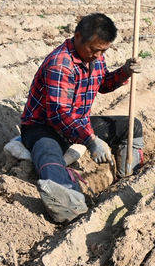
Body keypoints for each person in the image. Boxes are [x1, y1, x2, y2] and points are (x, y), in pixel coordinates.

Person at [20, 13, 143, 223]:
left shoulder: (95, 57)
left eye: (103, 50)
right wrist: (90, 140)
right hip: (44, 127)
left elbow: (102, 84)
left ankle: (126, 177)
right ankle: (70, 208)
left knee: (131, 127)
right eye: (94, 50)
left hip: (77, 123)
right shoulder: (61, 64)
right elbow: (59, 114)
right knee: (49, 157)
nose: (98, 55)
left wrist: (124, 72)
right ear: (77, 37)